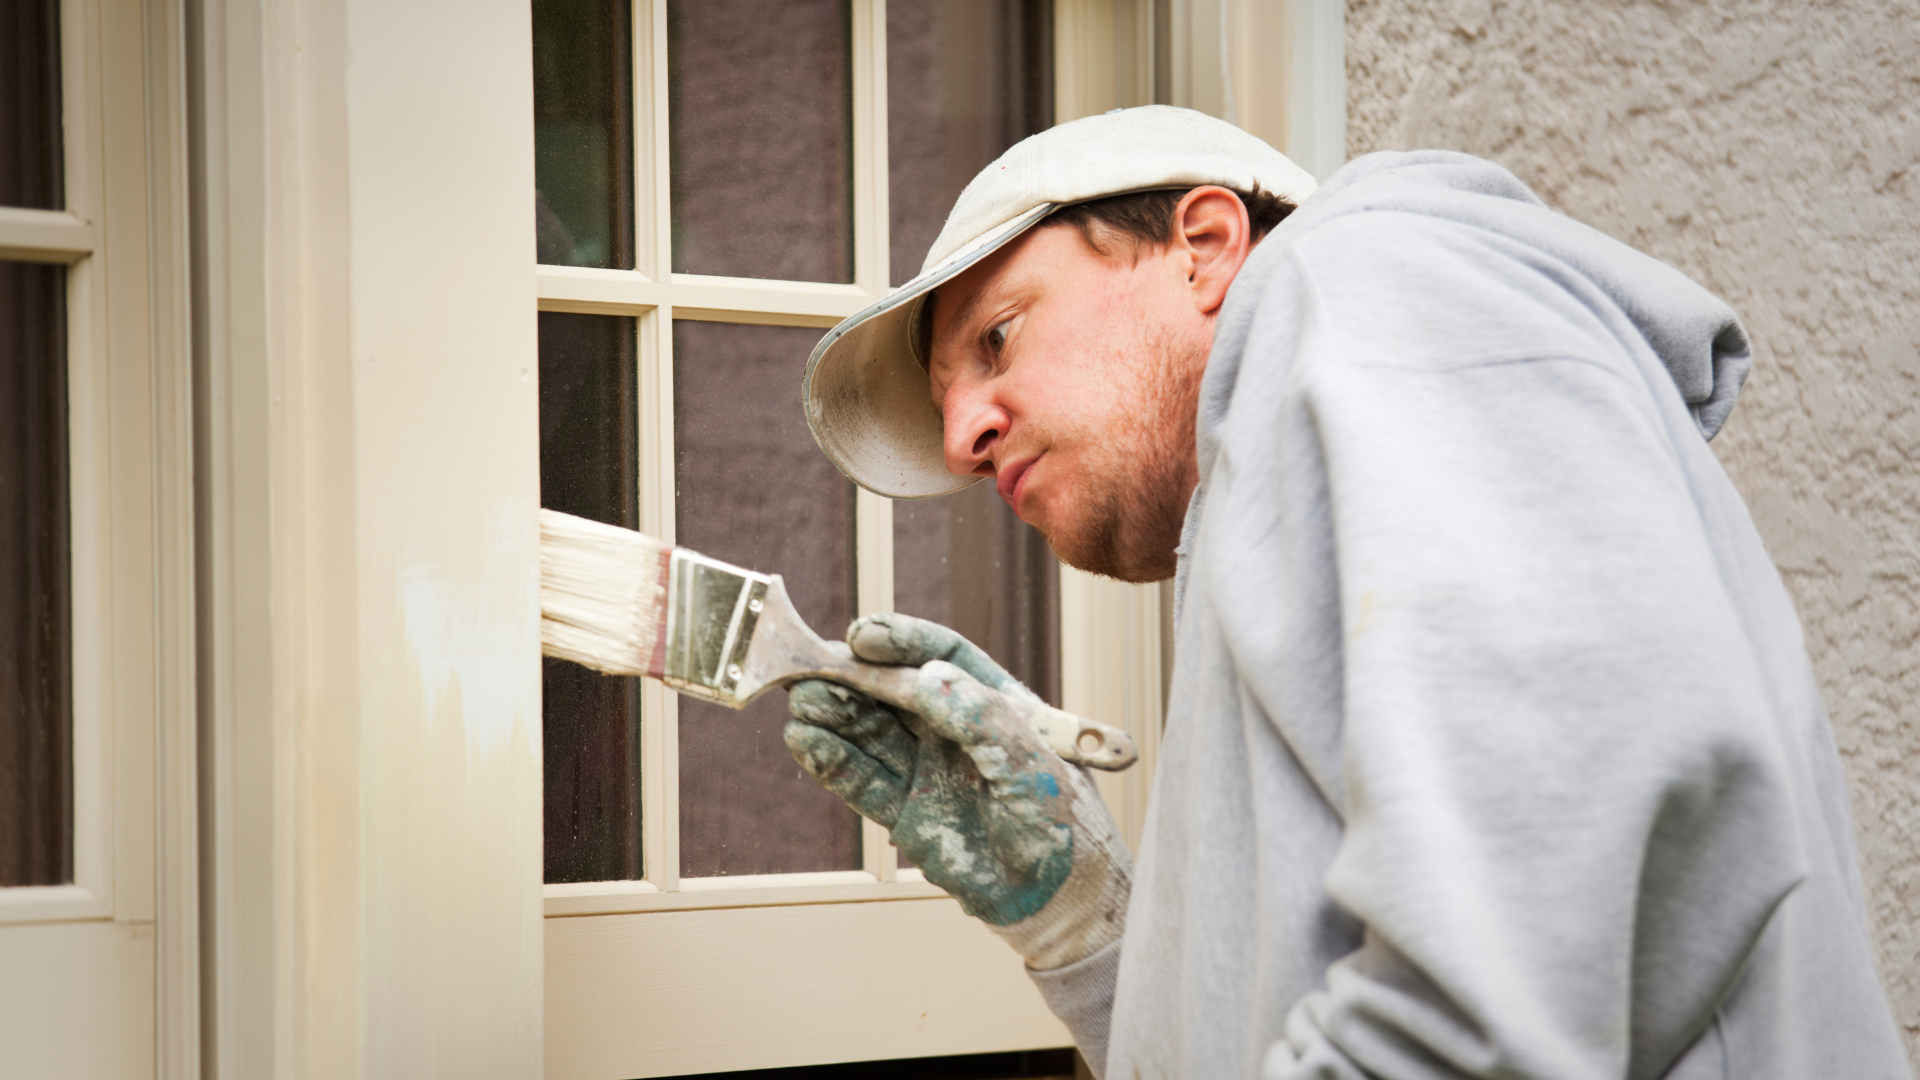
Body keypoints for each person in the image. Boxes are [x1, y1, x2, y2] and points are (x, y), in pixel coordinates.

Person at [783, 106, 1912, 1079]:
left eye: (1000, 335)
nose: (964, 434)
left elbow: (1542, 913)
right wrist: (1098, 931)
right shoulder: (1290, 467)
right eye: (947, 408)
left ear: (1207, 246)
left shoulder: (1370, 287)